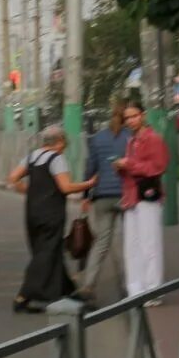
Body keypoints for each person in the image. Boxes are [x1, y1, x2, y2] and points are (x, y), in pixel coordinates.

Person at [7, 125, 95, 312]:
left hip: (32, 212)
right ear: (60, 141)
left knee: (48, 250)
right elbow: (65, 187)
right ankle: (23, 296)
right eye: (65, 143)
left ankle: (67, 291)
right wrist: (89, 184)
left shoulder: (32, 157)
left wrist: (31, 192)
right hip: (51, 213)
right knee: (46, 252)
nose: (65, 147)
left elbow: (13, 178)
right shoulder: (57, 159)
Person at [77, 99, 138, 304]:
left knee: (102, 242)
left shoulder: (98, 138)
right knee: (129, 242)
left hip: (102, 196)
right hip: (126, 195)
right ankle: (130, 286)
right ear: (126, 117)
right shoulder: (131, 137)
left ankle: (88, 285)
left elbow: (90, 168)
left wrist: (86, 196)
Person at [118, 96, 170, 301]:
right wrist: (121, 167)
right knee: (132, 246)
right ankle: (136, 290)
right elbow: (133, 168)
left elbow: (158, 167)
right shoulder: (131, 141)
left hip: (148, 196)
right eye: (127, 118)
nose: (130, 121)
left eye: (134, 116)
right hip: (131, 196)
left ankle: (153, 291)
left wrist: (129, 165)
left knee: (150, 245)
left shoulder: (153, 139)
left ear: (143, 115)